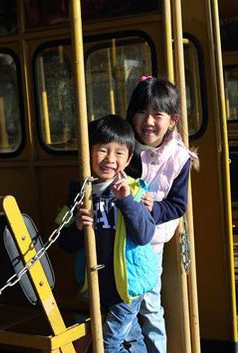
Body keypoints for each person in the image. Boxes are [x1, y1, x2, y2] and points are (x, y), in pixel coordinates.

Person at [58, 114, 158, 353]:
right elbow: (64, 242)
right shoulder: (78, 194)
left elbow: (145, 234)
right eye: (102, 150)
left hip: (127, 287)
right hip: (95, 286)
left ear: (128, 158)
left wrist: (126, 202)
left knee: (109, 344)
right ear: (87, 152)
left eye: (119, 153)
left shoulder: (134, 189)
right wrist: (78, 227)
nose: (110, 159)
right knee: (130, 337)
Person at [126, 76, 197, 353]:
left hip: (149, 243)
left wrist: (153, 208)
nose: (148, 121)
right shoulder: (122, 144)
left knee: (149, 304)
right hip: (115, 237)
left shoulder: (178, 157)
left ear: (173, 120)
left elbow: (177, 205)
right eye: (142, 112)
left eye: (158, 114)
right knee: (118, 303)